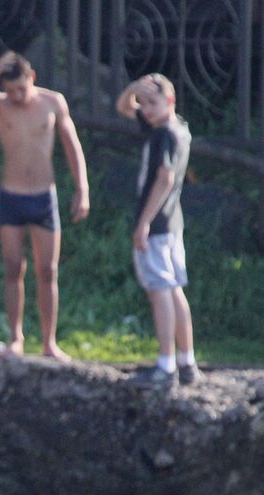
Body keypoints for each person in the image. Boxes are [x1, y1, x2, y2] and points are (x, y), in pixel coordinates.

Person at [0, 52, 89, 360]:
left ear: (33, 78)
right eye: (10, 90)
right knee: (14, 268)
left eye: (21, 89)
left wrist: (83, 189)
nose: (17, 96)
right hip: (12, 196)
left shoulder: (53, 102)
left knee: (47, 270)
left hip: (44, 196)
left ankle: (49, 342)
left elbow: (72, 146)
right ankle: (16, 338)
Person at [115, 74, 197, 389]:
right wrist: (135, 88)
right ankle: (186, 361)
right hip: (173, 224)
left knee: (159, 290)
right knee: (174, 289)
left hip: (159, 226)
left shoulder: (164, 134)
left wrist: (144, 222)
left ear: (171, 101)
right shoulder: (177, 127)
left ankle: (166, 366)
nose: (145, 109)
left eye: (152, 102)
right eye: (144, 103)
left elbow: (164, 177)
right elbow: (124, 107)